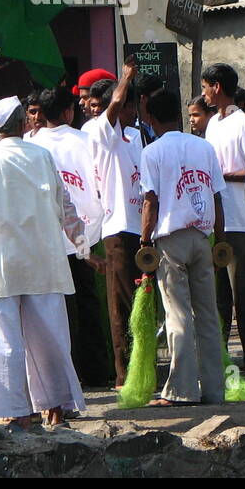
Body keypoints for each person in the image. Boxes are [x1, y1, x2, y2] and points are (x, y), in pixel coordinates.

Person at [0, 96, 88, 428]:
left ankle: (16, 410)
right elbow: (66, 205)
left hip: (1, 262)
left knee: (2, 340)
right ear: (23, 124)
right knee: (50, 337)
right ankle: (56, 408)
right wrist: (83, 246)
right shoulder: (42, 155)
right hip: (43, 261)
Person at [139, 89, 227, 406]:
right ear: (178, 115)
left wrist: (144, 240)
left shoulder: (152, 152)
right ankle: (215, 389)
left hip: (170, 240)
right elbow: (217, 196)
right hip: (203, 237)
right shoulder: (203, 147)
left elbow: (150, 201)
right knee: (207, 314)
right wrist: (221, 239)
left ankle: (182, 390)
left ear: (150, 117)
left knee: (178, 315)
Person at [27, 86, 113, 388]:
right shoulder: (86, 141)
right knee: (88, 306)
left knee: (55, 310)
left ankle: (62, 376)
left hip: (46, 241)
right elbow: (102, 185)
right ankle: (97, 372)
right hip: (86, 237)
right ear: (68, 112)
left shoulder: (31, 146)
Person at [202, 62, 245, 373]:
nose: (203, 93)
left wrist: (225, 176)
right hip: (216, 221)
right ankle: (219, 354)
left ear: (217, 86)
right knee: (218, 296)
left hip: (240, 220)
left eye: (205, 86)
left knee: (244, 293)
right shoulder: (213, 123)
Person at [90, 62, 146, 386]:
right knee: (122, 305)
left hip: (142, 229)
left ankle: (143, 366)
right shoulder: (103, 132)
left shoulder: (137, 136)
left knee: (142, 301)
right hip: (119, 229)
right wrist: (124, 78)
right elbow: (111, 107)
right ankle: (125, 373)